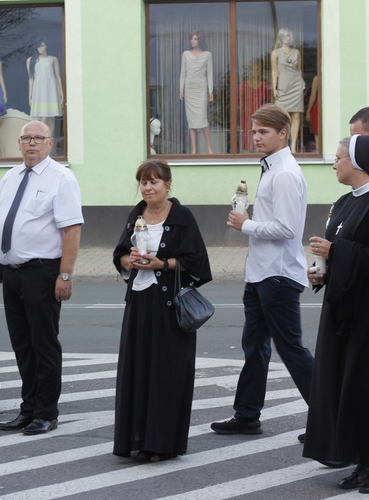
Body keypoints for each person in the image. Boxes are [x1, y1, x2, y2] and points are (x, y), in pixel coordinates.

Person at [211, 104, 313, 435]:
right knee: (254, 346)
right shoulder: (271, 168)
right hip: (261, 273)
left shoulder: (283, 173)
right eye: (253, 131)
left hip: (278, 275)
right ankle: (247, 415)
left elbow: (286, 228)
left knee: (291, 349)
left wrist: (247, 224)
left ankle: (330, 418)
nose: (255, 137)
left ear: (282, 133)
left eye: (263, 132)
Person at [0, 120, 83, 435]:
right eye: (26, 138)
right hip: (10, 274)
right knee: (22, 345)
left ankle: (46, 412)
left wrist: (65, 274)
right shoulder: (10, 177)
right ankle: (28, 409)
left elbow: (72, 230)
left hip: (42, 272)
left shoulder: (61, 178)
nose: (32, 143)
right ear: (19, 143)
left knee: (43, 345)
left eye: (39, 138)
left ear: (50, 143)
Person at [112, 160, 211, 462]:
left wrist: (163, 264)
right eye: (143, 182)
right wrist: (126, 261)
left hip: (169, 309)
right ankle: (137, 439)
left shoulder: (182, 216)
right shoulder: (135, 214)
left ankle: (161, 444)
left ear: (168, 184)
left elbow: (197, 263)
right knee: (137, 370)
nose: (148, 187)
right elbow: (120, 253)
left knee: (166, 374)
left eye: (154, 181)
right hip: (139, 303)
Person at [303, 135, 369, 492]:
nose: (334, 163)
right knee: (347, 387)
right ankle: (360, 459)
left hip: (365, 314)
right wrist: (322, 269)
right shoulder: (344, 202)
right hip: (341, 310)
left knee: (363, 387)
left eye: (340, 157)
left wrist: (337, 251)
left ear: (358, 162)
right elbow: (340, 252)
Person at [179, 31, 214, 155]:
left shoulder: (207, 55)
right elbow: (183, 73)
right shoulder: (185, 54)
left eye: (195, 39)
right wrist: (181, 89)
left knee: (203, 118)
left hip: (201, 88)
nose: (193, 41)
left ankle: (209, 148)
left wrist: (211, 90)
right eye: (192, 39)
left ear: (201, 40)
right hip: (189, 88)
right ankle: (194, 149)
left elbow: (209, 73)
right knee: (191, 121)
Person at [271, 28, 306, 152]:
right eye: (284, 36)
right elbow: (275, 71)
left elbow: (299, 69)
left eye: (289, 36)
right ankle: (282, 144)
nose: (287, 38)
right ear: (280, 38)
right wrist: (274, 87)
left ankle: (294, 146)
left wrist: (302, 84)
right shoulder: (275, 53)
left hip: (296, 85)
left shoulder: (297, 52)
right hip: (283, 85)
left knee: (296, 115)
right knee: (281, 114)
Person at [26, 40, 64, 139]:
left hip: (51, 90)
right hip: (39, 91)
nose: (40, 48)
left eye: (42, 46)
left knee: (51, 117)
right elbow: (31, 78)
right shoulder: (31, 60)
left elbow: (58, 77)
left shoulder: (53, 59)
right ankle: (40, 138)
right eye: (38, 46)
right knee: (44, 116)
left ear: (46, 46)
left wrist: (61, 93)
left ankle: (49, 144)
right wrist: (30, 96)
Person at [238, 60, 271, 152]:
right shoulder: (244, 85)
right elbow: (238, 102)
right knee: (247, 139)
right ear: (250, 71)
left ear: (261, 71)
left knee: (261, 136)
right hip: (247, 116)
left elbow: (269, 102)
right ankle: (245, 159)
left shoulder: (265, 85)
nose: (255, 72)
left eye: (258, 69)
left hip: (261, 117)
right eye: (253, 69)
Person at [305, 74, 320, 148]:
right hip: (327, 107)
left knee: (317, 135)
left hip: (317, 107)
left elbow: (313, 95)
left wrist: (308, 111)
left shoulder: (317, 78)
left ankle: (318, 150)